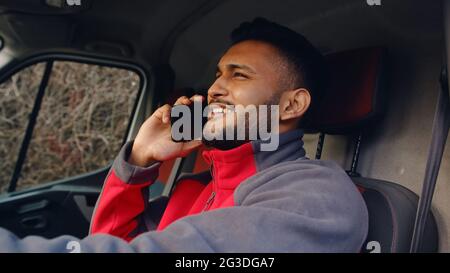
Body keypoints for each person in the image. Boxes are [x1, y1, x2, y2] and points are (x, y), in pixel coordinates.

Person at [0, 18, 368, 253]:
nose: (215, 89)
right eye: (219, 74)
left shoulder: (317, 196)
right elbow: (113, 243)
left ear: (291, 106)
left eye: (238, 75)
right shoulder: (194, 187)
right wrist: (139, 161)